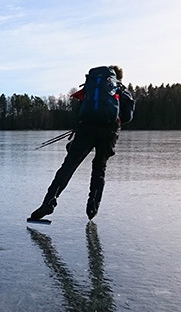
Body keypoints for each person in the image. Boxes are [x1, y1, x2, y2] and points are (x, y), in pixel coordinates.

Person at [29, 65, 135, 221]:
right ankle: (92, 207)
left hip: (86, 128)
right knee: (99, 167)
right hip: (109, 132)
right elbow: (127, 117)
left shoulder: (92, 87)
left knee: (68, 166)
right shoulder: (122, 91)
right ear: (119, 78)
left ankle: (49, 202)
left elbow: (81, 109)